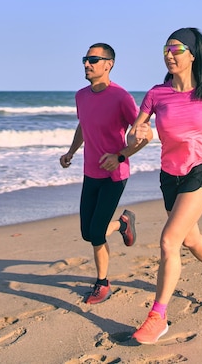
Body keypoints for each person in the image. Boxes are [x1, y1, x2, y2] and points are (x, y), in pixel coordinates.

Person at [129, 28, 202, 344]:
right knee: (190, 238)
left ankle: (158, 317)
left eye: (176, 49)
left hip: (201, 172)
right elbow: (136, 129)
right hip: (170, 176)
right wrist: (138, 134)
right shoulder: (155, 94)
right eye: (166, 49)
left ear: (192, 54)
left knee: (169, 241)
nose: (169, 55)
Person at [60, 43, 152, 304]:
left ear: (108, 64)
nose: (87, 64)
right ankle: (123, 223)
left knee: (97, 234)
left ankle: (103, 283)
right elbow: (83, 125)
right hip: (90, 172)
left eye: (93, 59)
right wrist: (71, 152)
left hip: (115, 175)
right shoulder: (80, 95)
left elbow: (143, 136)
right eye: (85, 60)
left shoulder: (121, 97)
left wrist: (120, 156)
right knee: (88, 233)